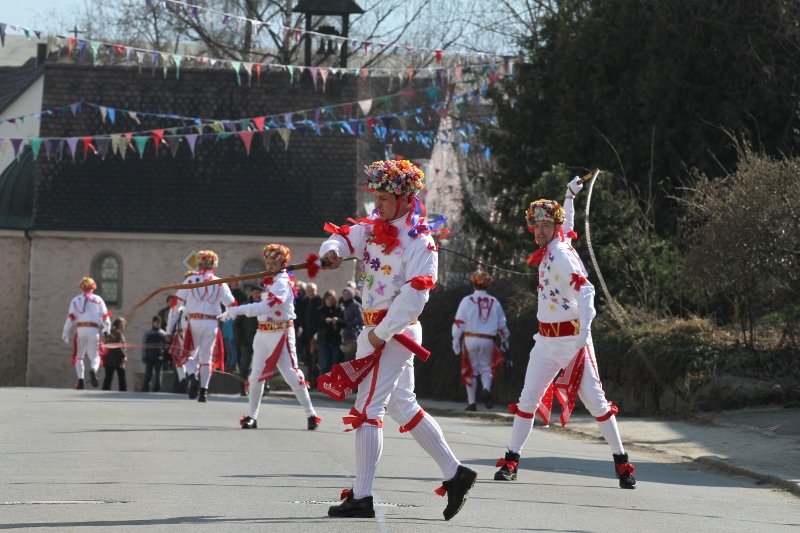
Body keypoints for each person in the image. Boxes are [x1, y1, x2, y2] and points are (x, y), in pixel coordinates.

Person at [319, 159, 476, 521]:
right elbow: (344, 237)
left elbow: (416, 295)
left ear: (406, 197)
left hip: (394, 333)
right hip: (376, 332)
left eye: (385, 197)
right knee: (403, 406)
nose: (378, 204)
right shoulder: (374, 228)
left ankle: (362, 497)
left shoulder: (420, 240)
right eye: (375, 196)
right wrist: (332, 252)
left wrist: (379, 334)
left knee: (369, 408)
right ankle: (456, 473)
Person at [492, 176, 636, 489]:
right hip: (545, 341)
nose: (540, 230)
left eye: (546, 226)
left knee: (597, 403)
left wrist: (584, 330)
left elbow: (586, 290)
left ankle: (622, 463)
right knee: (527, 399)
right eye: (536, 226)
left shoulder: (561, 255)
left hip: (572, 340)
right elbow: (568, 226)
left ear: (553, 228)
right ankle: (511, 461)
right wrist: (569, 196)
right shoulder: (556, 246)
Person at [218, 244, 320, 431]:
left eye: (274, 262)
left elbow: (265, 307)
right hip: (263, 333)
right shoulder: (270, 281)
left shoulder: (282, 283)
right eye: (268, 262)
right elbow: (261, 308)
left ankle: (311, 414)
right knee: (255, 376)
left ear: (283, 263)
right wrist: (236, 310)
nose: (270, 265)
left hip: (280, 333)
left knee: (291, 375)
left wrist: (236, 310)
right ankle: (252, 416)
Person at [166, 250, 235, 403]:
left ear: (199, 264)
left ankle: (192, 375)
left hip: (194, 321)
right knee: (206, 357)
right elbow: (232, 304)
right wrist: (226, 316)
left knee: (189, 353)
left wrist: (171, 325)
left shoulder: (190, 280)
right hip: (211, 323)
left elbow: (175, 303)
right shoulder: (219, 282)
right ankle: (203, 391)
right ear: (214, 265)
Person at [452, 269, 510, 411]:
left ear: (473, 283)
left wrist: (455, 338)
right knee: (486, 367)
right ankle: (486, 389)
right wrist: (505, 340)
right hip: (488, 340)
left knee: (470, 369)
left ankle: (471, 403)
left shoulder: (466, 301)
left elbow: (459, 322)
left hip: (470, 338)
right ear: (487, 284)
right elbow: (502, 324)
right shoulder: (494, 301)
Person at [62, 276, 111, 389]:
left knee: (79, 357)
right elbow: (105, 317)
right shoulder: (98, 300)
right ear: (93, 287)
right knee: (95, 357)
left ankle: (80, 380)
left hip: (80, 330)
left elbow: (71, 319)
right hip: (93, 330)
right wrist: (107, 329)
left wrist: (65, 332)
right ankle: (93, 370)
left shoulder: (75, 300)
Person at [235, 285, 262, 396]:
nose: (258, 294)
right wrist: (240, 339)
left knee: (262, 364)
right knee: (245, 365)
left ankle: (264, 386)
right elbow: (237, 324)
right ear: (251, 293)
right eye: (255, 292)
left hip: (261, 341)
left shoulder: (264, 306)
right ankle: (242, 387)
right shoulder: (245, 306)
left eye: (259, 292)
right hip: (246, 341)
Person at [315, 290, 344, 374]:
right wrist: (324, 321)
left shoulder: (339, 309)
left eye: (332, 299)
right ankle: (325, 386)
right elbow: (314, 324)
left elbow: (346, 323)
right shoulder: (320, 310)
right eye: (328, 299)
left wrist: (338, 320)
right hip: (323, 342)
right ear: (324, 300)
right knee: (324, 366)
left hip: (336, 341)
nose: (330, 301)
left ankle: (335, 386)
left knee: (336, 366)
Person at [142, 316, 167, 392]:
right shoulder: (148, 333)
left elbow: (165, 346)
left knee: (158, 375)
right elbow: (144, 345)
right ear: (153, 323)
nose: (157, 324)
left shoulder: (163, 333)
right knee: (148, 374)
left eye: (159, 322)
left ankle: (157, 389)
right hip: (149, 357)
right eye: (156, 322)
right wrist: (144, 356)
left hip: (159, 357)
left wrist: (165, 357)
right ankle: (145, 388)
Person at [102, 318, 128, 391]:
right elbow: (118, 346)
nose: (124, 327)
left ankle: (105, 392)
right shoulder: (118, 333)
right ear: (119, 325)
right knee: (121, 377)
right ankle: (123, 393)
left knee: (108, 377)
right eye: (123, 325)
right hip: (117, 359)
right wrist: (124, 356)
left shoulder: (110, 332)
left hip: (108, 358)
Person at [339, 286, 363, 360]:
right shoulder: (345, 305)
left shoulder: (355, 305)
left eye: (348, 294)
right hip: (346, 337)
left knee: (350, 359)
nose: (345, 296)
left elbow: (361, 319)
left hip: (353, 337)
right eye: (344, 294)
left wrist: (349, 324)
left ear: (352, 295)